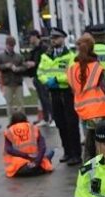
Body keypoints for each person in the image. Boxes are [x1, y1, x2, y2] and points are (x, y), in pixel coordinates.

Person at [38, 28, 82, 163]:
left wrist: (57, 80)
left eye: (56, 38)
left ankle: (76, 153)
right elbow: (40, 72)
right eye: (52, 38)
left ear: (63, 39)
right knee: (60, 123)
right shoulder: (46, 56)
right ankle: (67, 152)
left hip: (66, 92)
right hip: (54, 92)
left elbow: (72, 74)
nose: (53, 40)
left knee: (71, 123)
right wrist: (47, 82)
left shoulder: (70, 56)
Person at [68, 34, 105, 161]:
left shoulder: (72, 69)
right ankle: (102, 166)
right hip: (100, 109)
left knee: (88, 141)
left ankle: (88, 166)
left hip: (82, 110)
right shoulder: (96, 67)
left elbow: (73, 89)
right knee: (101, 142)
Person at [2, 111, 54, 177]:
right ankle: (40, 167)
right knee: (50, 151)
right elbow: (42, 147)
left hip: (19, 166)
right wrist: (37, 162)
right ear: (25, 119)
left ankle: (32, 168)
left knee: (24, 168)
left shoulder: (9, 131)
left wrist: (27, 155)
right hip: (36, 159)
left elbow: (9, 149)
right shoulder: (33, 128)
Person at [24, 30, 53, 126]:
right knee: (41, 98)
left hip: (43, 76)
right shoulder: (34, 49)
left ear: (35, 36)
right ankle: (45, 118)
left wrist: (34, 64)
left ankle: (53, 118)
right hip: (36, 76)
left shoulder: (44, 48)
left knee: (46, 98)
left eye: (31, 36)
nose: (29, 39)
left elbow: (47, 62)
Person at [0, 36, 27, 118]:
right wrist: (6, 66)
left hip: (18, 82)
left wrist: (18, 69)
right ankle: (10, 119)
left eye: (13, 45)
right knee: (9, 103)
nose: (11, 47)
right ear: (6, 45)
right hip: (7, 83)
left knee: (21, 102)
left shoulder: (19, 56)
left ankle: (22, 119)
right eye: (10, 45)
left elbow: (24, 67)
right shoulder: (1, 56)